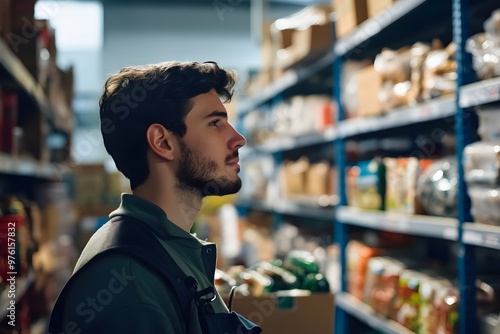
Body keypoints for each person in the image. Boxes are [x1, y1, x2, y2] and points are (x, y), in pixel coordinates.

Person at [48, 61, 260, 333]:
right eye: (215, 123)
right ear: (162, 142)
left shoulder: (168, 246)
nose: (238, 139)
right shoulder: (129, 286)